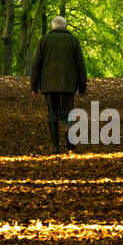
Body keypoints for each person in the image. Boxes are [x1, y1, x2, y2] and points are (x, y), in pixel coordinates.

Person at [29, 14, 88, 153]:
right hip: (68, 85)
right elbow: (81, 65)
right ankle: (68, 130)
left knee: (52, 114)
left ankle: (55, 146)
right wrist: (82, 87)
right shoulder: (73, 41)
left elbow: (36, 64)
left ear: (52, 26)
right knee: (68, 113)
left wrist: (34, 86)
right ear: (65, 26)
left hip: (49, 85)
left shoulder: (44, 41)